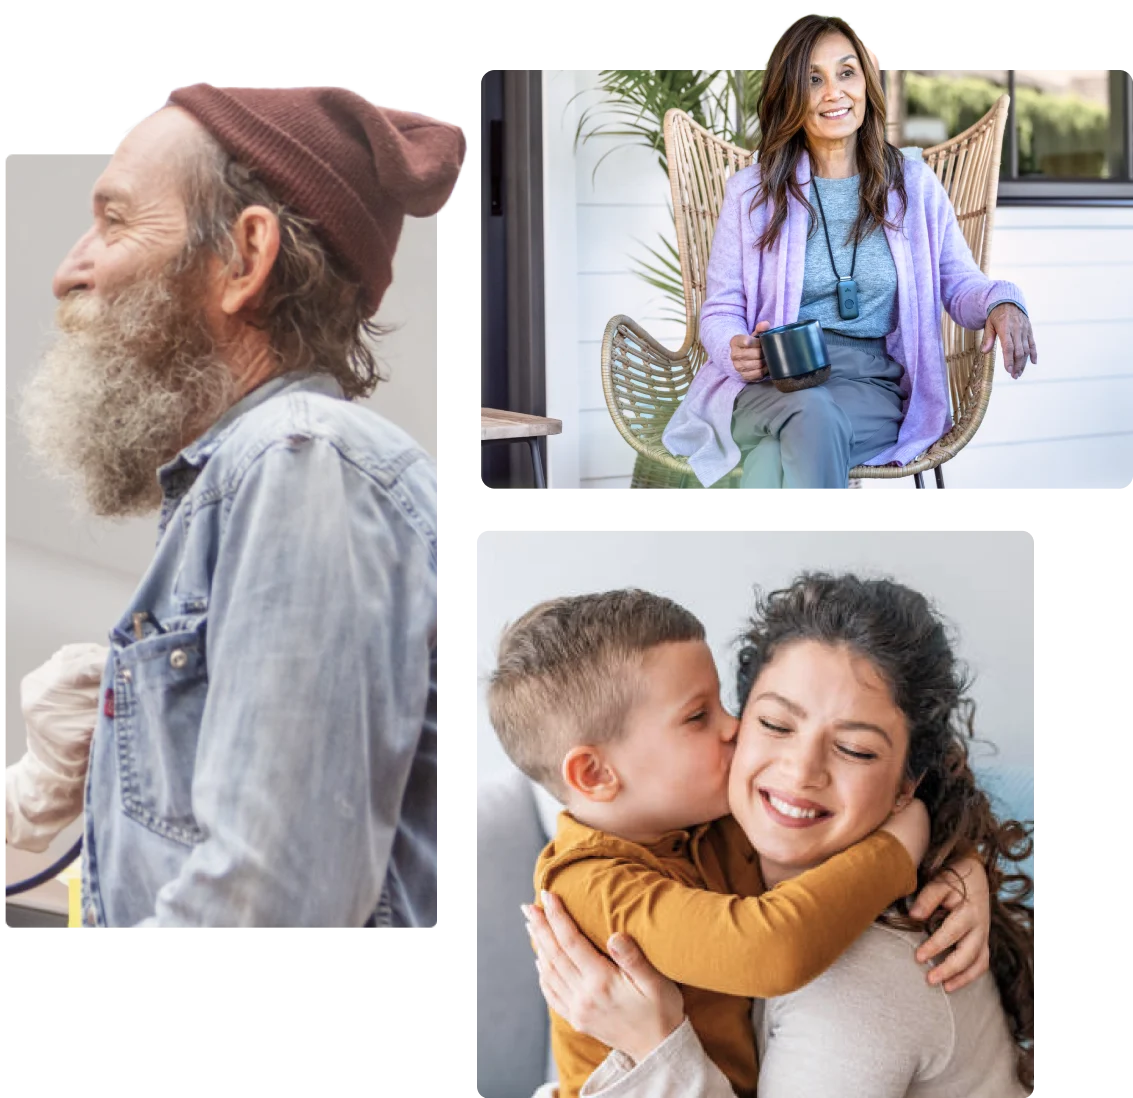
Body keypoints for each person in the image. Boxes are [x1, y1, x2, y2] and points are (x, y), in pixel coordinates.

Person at [5, 83, 459, 926]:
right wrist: (43, 786)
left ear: (245, 257)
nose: (70, 269)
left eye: (114, 220)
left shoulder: (298, 458)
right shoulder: (253, 475)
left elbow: (270, 901)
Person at [526, 572, 1035, 1096]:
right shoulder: (688, 829)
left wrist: (652, 1041)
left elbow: (774, 948)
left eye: (855, 750)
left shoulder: (865, 982)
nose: (799, 771)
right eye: (774, 724)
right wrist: (933, 840)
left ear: (908, 786)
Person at [660, 14, 1039, 490]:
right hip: (768, 385)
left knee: (782, 450)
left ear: (866, 82)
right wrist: (733, 349)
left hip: (870, 385)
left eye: (846, 73)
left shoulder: (913, 185)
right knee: (807, 415)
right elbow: (720, 308)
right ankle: (823, 566)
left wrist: (1003, 300)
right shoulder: (751, 193)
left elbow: (959, 284)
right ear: (789, 95)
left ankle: (765, 564)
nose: (834, 92)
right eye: (813, 79)